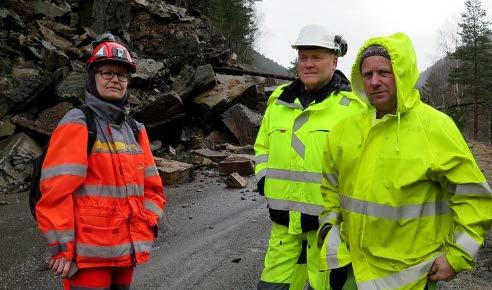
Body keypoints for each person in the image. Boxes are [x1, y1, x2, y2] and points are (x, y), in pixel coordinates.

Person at [319, 32, 492, 289]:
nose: (374, 82)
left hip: (413, 277)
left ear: (401, 73)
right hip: (353, 271)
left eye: (383, 73)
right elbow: (330, 189)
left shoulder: (435, 127)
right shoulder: (344, 129)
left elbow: (473, 196)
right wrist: (330, 239)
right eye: (367, 75)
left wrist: (457, 257)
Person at [35, 33, 166, 290]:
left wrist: (146, 225)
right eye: (107, 72)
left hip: (126, 254)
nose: (115, 79)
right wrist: (62, 247)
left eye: (122, 75)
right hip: (88, 258)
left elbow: (153, 188)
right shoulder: (78, 122)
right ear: (93, 77)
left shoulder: (136, 129)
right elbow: (55, 193)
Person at [254, 24, 365, 290]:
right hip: (283, 225)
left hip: (329, 228)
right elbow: (262, 147)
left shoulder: (353, 108)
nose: (308, 64)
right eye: (304, 57)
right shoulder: (279, 101)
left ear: (334, 60)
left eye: (317, 57)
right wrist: (264, 179)